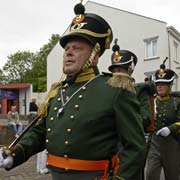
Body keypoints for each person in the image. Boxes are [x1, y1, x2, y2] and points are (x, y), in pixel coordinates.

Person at [0, 2, 146, 180]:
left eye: (77, 48)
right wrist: (14, 154)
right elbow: (40, 133)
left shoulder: (114, 89)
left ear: (95, 54)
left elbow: (135, 147)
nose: (68, 53)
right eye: (67, 49)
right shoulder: (57, 92)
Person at [108, 38, 155, 131]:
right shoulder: (106, 89)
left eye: (120, 70)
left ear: (130, 70)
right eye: (114, 70)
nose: (117, 73)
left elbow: (145, 119)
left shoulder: (139, 90)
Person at [146, 60, 180, 180]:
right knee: (150, 174)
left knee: (173, 176)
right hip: (154, 143)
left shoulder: (176, 101)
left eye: (163, 83)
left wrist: (170, 129)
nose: (159, 86)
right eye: (158, 83)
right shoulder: (151, 102)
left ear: (170, 85)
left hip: (172, 144)